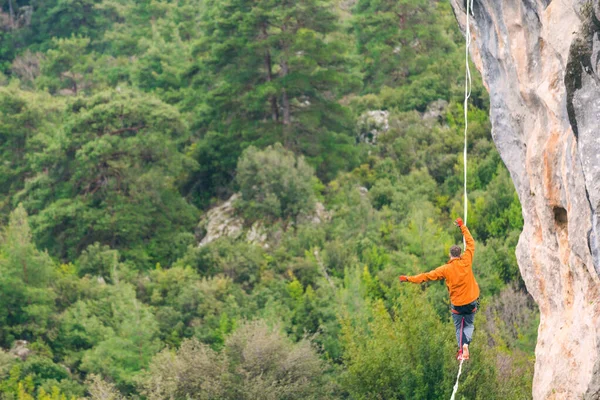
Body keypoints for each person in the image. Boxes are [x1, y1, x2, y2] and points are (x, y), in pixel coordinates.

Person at [399, 218, 478, 361]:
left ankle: (462, 349)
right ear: (460, 254)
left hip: (458, 304)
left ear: (450, 255)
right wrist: (462, 227)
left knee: (458, 328)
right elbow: (471, 242)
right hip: (471, 300)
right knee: (469, 324)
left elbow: (426, 276)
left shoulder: (445, 269)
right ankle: (466, 344)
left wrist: (409, 278)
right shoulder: (466, 260)